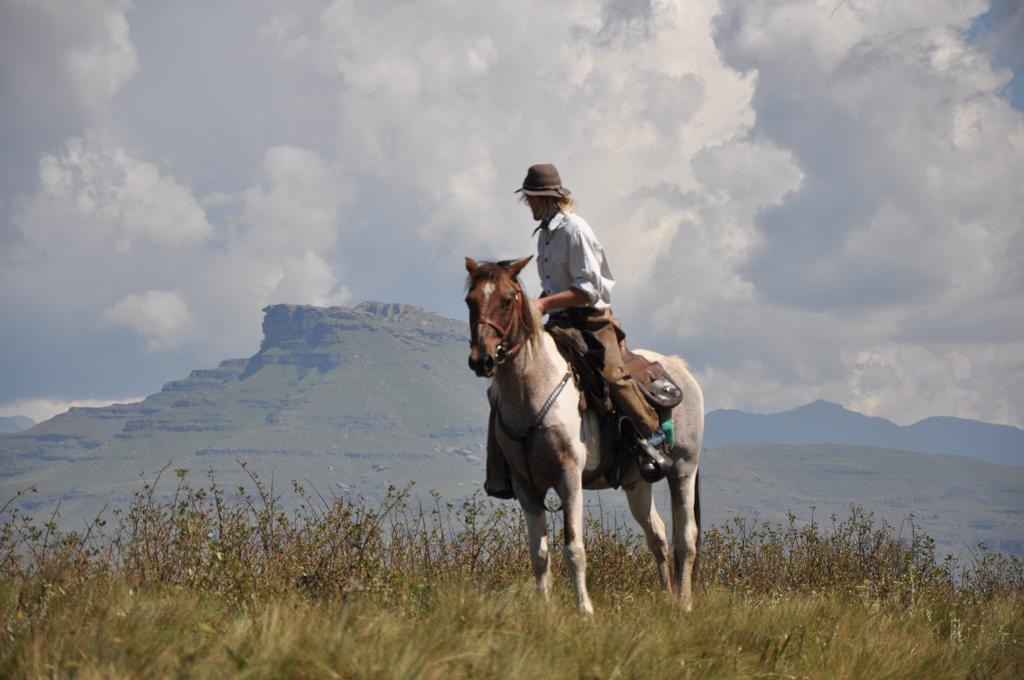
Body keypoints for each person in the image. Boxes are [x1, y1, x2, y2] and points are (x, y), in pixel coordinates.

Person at [484, 163, 670, 498]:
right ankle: (503, 470)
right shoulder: (544, 235)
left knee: (613, 375)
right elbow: (554, 285)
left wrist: (539, 306)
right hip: (560, 324)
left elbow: (587, 290)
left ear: (546, 199)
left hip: (592, 321)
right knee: (504, 383)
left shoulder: (575, 230)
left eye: (531, 199)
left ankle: (651, 437)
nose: (528, 205)